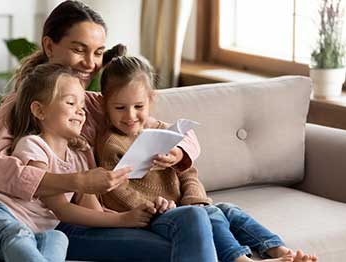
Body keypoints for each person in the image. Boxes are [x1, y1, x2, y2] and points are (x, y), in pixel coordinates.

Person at [0, 1, 218, 261]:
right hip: (51, 221)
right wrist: (78, 182)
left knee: (202, 220)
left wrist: (177, 152)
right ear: (49, 46)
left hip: (90, 214)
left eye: (98, 53)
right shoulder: (19, 106)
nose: (90, 63)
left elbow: (173, 131)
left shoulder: (97, 104)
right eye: (79, 50)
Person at [95, 55, 318, 262]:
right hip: (152, 217)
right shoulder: (111, 143)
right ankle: (240, 260)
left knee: (229, 210)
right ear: (106, 105)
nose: (130, 115)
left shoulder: (164, 132)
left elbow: (188, 172)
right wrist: (153, 207)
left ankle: (280, 251)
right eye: (120, 108)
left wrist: (194, 199)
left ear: (151, 100)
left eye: (138, 106)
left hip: (184, 208)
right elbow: (115, 191)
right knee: (210, 214)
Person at [0, 63, 159, 261]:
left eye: (82, 106)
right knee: (17, 236)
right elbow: (61, 209)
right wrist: (123, 219)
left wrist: (136, 212)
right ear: (39, 110)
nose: (81, 112)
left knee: (57, 238)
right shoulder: (34, 145)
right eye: (71, 103)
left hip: (36, 233)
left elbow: (94, 212)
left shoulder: (79, 157)